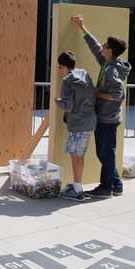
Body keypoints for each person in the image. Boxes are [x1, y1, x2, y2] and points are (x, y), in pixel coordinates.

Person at [71, 15, 131, 198]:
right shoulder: (107, 63)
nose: (102, 47)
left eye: (105, 45)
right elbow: (94, 45)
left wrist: (96, 94)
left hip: (107, 118)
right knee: (106, 153)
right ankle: (117, 184)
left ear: (110, 51)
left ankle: (106, 188)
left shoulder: (112, 70)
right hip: (107, 117)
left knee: (105, 154)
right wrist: (82, 27)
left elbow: (118, 94)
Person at [54, 50, 97, 201]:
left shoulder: (67, 81)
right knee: (79, 154)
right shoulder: (84, 74)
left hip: (77, 122)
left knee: (75, 155)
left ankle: (78, 189)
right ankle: (76, 185)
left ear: (63, 66)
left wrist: (58, 101)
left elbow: (69, 106)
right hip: (89, 120)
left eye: (60, 67)